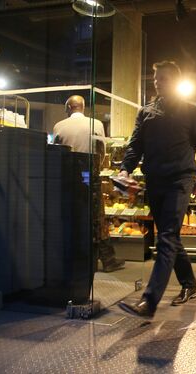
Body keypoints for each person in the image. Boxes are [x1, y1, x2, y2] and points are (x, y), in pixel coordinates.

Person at [118, 61, 196, 318]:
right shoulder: (146, 111)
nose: (158, 81)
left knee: (166, 237)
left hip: (181, 179)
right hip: (155, 180)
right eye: (156, 77)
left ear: (175, 80)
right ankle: (189, 284)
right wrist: (125, 169)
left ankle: (149, 301)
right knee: (171, 236)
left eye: (164, 78)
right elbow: (136, 145)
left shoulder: (190, 111)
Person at [53, 95, 125, 273]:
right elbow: (101, 150)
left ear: (69, 107)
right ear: (82, 107)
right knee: (96, 218)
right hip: (88, 175)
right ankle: (107, 260)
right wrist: (96, 169)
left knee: (72, 217)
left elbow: (56, 153)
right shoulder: (96, 124)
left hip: (67, 177)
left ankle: (76, 259)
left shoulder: (59, 126)